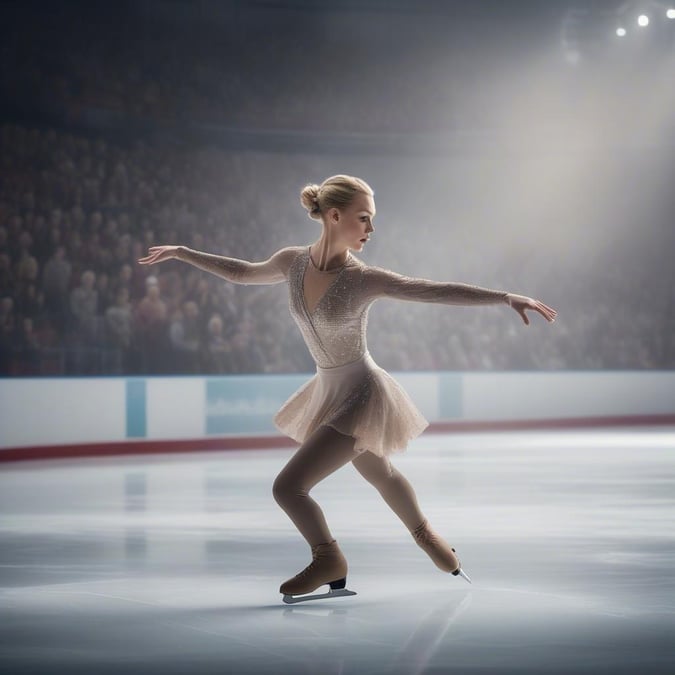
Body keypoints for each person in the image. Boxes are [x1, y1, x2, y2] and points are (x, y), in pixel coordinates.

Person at [138, 174, 557, 603]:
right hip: (329, 388)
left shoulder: (363, 279)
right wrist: (184, 253)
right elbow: (243, 273)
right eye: (364, 219)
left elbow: (432, 291)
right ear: (334, 216)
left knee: (289, 487)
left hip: (362, 392)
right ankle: (432, 540)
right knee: (380, 472)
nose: (371, 230)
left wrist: (504, 297)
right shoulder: (291, 262)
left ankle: (330, 559)